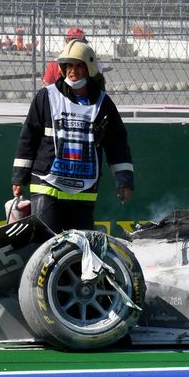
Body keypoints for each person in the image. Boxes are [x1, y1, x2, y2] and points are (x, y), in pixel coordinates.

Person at [12, 40, 134, 233]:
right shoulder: (47, 97)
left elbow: (117, 144)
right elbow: (29, 137)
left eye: (79, 66)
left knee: (78, 253)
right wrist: (19, 178)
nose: (73, 71)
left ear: (89, 69)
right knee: (47, 247)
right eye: (69, 66)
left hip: (83, 192)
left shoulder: (103, 104)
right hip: (47, 186)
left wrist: (124, 181)